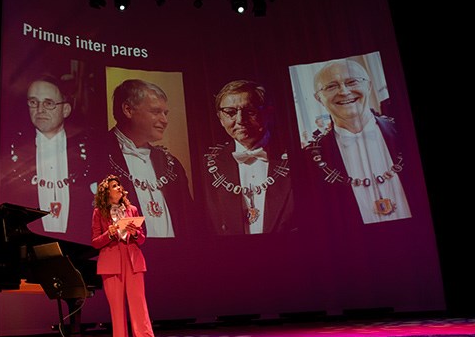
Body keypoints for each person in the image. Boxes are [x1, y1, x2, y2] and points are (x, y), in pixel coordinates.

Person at [307, 58, 411, 224]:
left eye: (352, 82)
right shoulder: (308, 162)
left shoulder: (408, 133)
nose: (344, 91)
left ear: (368, 86)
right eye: (331, 86)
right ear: (319, 98)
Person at [0, 74, 95, 241]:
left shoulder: (91, 151)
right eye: (33, 102)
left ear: (65, 109)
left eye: (48, 103)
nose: (40, 110)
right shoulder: (11, 151)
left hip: (78, 246)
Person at [101, 79, 193, 238]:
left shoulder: (171, 165)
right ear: (128, 110)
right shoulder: (98, 156)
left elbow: (190, 223)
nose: (164, 121)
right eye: (156, 112)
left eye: (165, 113)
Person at [202, 80, 295, 235]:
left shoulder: (297, 158)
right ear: (220, 118)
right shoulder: (208, 166)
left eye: (250, 111)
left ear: (268, 112)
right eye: (230, 112)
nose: (240, 120)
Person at [91, 174, 164, 337]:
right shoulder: (99, 212)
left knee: (139, 305)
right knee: (117, 309)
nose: (119, 188)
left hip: (133, 259)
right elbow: (95, 242)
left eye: (119, 185)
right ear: (106, 192)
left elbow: (142, 239)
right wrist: (109, 234)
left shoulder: (131, 209)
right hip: (111, 263)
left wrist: (135, 233)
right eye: (114, 186)